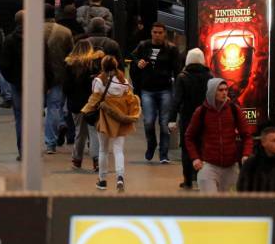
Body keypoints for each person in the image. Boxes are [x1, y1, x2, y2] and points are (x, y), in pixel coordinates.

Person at [81, 55, 141, 191]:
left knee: (103, 150)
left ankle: (102, 180)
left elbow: (94, 99)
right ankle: (120, 178)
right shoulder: (123, 80)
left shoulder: (98, 81)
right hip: (120, 118)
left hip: (104, 119)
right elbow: (129, 96)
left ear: (102, 66)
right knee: (118, 150)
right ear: (116, 66)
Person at [185, 78, 253, 192]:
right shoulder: (201, 112)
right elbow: (189, 137)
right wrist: (195, 158)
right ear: (212, 92)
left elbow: (247, 135)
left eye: (226, 90)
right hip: (209, 166)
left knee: (229, 207)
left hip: (231, 167)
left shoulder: (234, 109)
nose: (224, 93)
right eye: (220, 90)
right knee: (211, 207)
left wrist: (246, 154)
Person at [130, 22, 180, 163]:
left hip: (165, 89)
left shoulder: (171, 49)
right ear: (151, 33)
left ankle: (164, 154)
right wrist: (138, 62)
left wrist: (176, 89)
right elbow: (133, 56)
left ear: (164, 34)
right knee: (148, 121)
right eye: (155, 32)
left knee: (165, 122)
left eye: (160, 32)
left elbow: (177, 70)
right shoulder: (143, 45)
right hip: (147, 89)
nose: (157, 35)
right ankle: (151, 145)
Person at [168, 48, 213, 190]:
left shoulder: (182, 77)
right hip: (205, 117)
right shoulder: (209, 77)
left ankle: (187, 180)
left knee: (187, 147)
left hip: (187, 117)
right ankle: (200, 178)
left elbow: (176, 100)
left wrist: (172, 119)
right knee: (203, 147)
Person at [65, 39, 105, 171]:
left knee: (79, 133)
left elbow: (65, 88)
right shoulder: (93, 64)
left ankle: (77, 160)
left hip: (75, 104)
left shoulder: (69, 65)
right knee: (93, 133)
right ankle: (96, 161)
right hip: (91, 104)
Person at [45, 4, 75, 154]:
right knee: (54, 107)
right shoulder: (64, 32)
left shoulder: (30, 31)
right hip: (58, 76)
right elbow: (71, 55)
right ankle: (51, 142)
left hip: (36, 76)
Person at [0, 11, 25, 158]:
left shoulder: (10, 40)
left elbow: (4, 64)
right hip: (33, 83)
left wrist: (12, 79)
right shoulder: (37, 38)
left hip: (17, 83)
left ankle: (22, 150)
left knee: (20, 116)